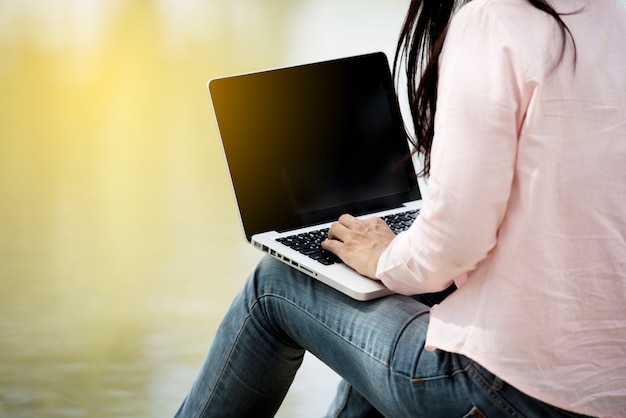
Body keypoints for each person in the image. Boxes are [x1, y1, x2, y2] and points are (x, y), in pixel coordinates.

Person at [175, 0, 626, 416]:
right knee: (386, 287)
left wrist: (385, 255)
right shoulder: (613, 17)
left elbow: (453, 246)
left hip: (506, 394)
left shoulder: (495, 21)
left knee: (276, 284)